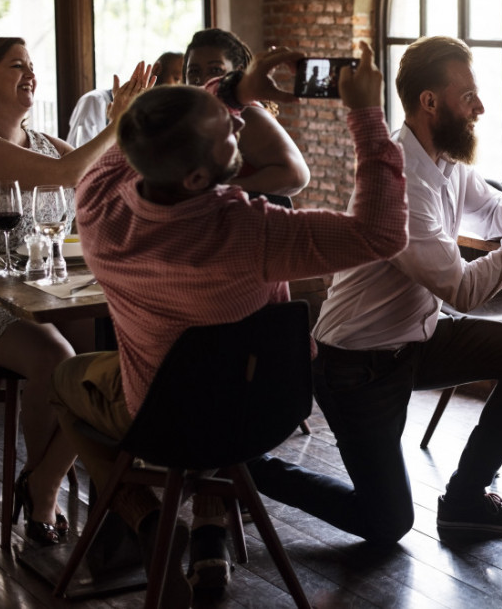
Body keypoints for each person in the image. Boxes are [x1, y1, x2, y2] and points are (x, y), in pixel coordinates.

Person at [50, 40, 406, 605]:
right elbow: (382, 234)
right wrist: (366, 115)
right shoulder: (252, 231)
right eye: (228, 134)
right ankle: (206, 521)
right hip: (265, 412)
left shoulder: (95, 205)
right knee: (218, 378)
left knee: (64, 380)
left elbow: (125, 145)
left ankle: (147, 520)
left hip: (161, 420)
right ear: (197, 178)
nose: (238, 130)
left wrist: (236, 92)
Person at [247, 35, 502, 546]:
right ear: (430, 102)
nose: (481, 107)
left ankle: (465, 499)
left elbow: (493, 212)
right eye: (469, 96)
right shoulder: (399, 182)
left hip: (418, 339)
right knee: (386, 522)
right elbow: (462, 291)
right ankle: (249, 469)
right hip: (357, 365)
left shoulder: (448, 162)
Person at [0, 36, 151, 546]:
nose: (30, 74)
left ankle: (91, 483)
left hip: (45, 295)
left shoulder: (44, 141)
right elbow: (65, 175)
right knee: (57, 358)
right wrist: (113, 128)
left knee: (120, 353)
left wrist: (136, 126)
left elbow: (104, 178)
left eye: (32, 66)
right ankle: (47, 487)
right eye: (17, 66)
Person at [183, 28, 309, 198]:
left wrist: (216, 190)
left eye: (215, 71)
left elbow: (296, 177)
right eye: (194, 72)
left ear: (238, 71)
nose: (204, 80)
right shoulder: (194, 117)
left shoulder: (247, 114)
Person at [65, 51, 182, 146]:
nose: (179, 89)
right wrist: (116, 122)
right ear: (156, 69)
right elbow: (79, 156)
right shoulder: (95, 102)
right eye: (176, 79)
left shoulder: (160, 118)